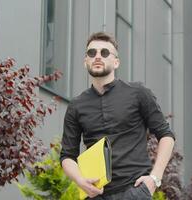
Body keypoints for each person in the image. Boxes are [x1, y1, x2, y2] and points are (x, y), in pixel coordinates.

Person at [60, 32, 175, 200]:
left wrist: (154, 178)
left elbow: (166, 135)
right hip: (96, 194)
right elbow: (67, 156)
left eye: (105, 52)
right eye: (92, 53)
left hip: (134, 191)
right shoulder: (76, 106)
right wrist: (80, 181)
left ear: (116, 62)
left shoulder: (138, 93)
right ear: (85, 62)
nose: (98, 57)